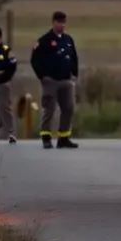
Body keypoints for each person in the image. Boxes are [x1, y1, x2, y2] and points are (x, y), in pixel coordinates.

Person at [31, 11, 79, 149]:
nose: (62, 25)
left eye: (64, 22)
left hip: (66, 80)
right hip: (51, 81)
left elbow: (73, 57)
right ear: (53, 23)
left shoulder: (68, 40)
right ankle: (46, 137)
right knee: (49, 109)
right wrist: (42, 76)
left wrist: (74, 73)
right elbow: (35, 60)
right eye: (59, 22)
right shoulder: (44, 41)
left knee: (68, 109)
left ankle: (64, 137)